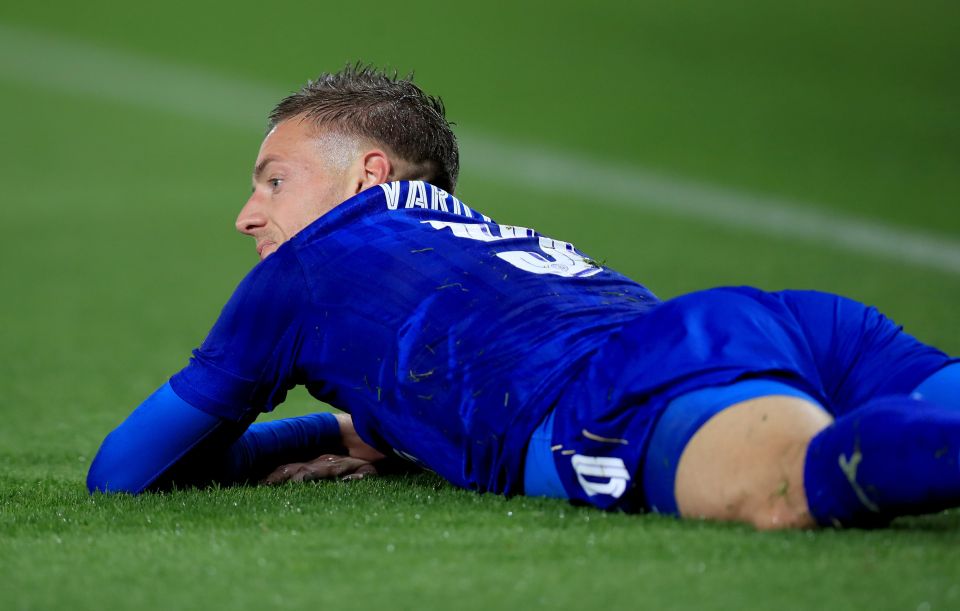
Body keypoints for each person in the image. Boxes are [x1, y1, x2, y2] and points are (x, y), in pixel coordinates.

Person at [87, 65, 960, 530]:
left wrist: (331, 431)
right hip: (772, 327)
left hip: (630, 388)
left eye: (273, 181)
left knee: (790, 490)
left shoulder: (308, 266)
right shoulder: (475, 241)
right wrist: (381, 433)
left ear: (368, 174)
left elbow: (126, 473)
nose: (248, 215)